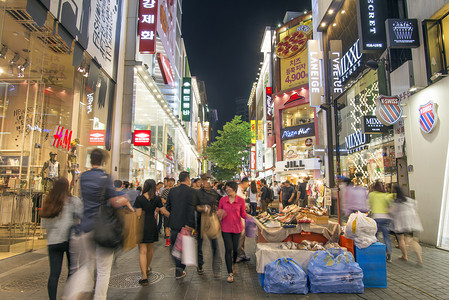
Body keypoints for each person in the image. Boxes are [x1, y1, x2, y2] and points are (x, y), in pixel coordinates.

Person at [65, 148, 131, 300]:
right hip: (102, 228)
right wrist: (123, 199)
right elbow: (114, 202)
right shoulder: (105, 177)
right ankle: (99, 297)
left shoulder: (84, 176)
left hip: (86, 226)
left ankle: (73, 292)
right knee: (103, 270)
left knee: (87, 265)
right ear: (103, 161)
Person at [40, 178, 82, 300]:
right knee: (72, 271)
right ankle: (68, 295)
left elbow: (43, 225)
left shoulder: (48, 202)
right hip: (69, 240)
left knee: (54, 274)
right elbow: (82, 215)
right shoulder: (73, 200)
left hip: (53, 242)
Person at [134, 179, 170, 285]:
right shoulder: (156, 198)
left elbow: (138, 214)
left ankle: (144, 276)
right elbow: (163, 211)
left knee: (142, 251)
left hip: (142, 226)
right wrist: (172, 216)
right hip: (152, 225)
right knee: (150, 250)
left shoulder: (139, 199)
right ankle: (147, 267)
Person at [166, 171, 199, 279]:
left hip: (174, 223)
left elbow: (168, 207)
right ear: (188, 179)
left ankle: (178, 269)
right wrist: (192, 225)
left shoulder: (172, 191)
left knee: (175, 246)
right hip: (186, 225)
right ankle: (179, 270)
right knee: (184, 249)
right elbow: (192, 209)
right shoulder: (192, 192)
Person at [217, 181, 247, 283]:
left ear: (234, 189)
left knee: (235, 250)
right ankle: (230, 273)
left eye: (229, 188)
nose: (227, 189)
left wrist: (250, 217)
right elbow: (219, 211)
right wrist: (219, 213)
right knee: (228, 249)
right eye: (226, 188)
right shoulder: (222, 200)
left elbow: (243, 214)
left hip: (237, 229)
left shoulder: (241, 201)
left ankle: (233, 264)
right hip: (225, 229)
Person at [390, 185, 423, 265]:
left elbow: (392, 212)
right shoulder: (408, 200)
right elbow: (415, 206)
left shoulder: (396, 202)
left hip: (400, 224)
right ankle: (419, 258)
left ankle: (404, 256)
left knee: (401, 240)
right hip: (410, 223)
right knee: (411, 240)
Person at [196, 174, 221, 276]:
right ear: (201, 181)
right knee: (199, 244)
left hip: (211, 219)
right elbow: (194, 206)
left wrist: (218, 210)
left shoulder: (214, 193)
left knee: (215, 244)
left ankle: (216, 268)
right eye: (205, 180)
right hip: (199, 220)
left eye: (208, 180)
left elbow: (220, 203)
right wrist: (202, 208)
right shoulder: (197, 193)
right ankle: (200, 264)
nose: (207, 182)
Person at [368, 180, 394, 262]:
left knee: (374, 236)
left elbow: (369, 205)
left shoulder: (372, 195)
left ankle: (375, 253)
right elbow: (390, 205)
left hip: (376, 217)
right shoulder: (386, 195)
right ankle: (388, 254)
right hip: (386, 218)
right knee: (386, 237)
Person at [236, 177, 250, 262]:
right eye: (248, 183)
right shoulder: (238, 190)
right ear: (245, 182)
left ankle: (241, 253)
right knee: (240, 236)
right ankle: (239, 255)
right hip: (239, 217)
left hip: (240, 216)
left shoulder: (239, 190)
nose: (248, 185)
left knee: (241, 236)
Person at [161, 178, 175, 247]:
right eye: (169, 182)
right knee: (166, 225)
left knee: (173, 226)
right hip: (166, 210)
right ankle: (168, 241)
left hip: (174, 210)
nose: (170, 183)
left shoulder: (176, 190)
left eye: (172, 182)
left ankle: (173, 240)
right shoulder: (165, 191)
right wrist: (169, 202)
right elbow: (162, 200)